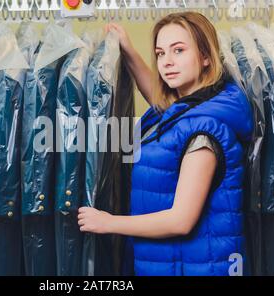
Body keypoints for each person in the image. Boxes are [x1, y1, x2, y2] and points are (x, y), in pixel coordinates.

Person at [78, 12, 253, 276]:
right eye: (160, 53)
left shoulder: (203, 135)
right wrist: (128, 50)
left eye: (179, 50)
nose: (167, 62)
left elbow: (181, 221)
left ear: (206, 57)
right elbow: (162, 103)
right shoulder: (193, 108)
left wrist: (108, 222)